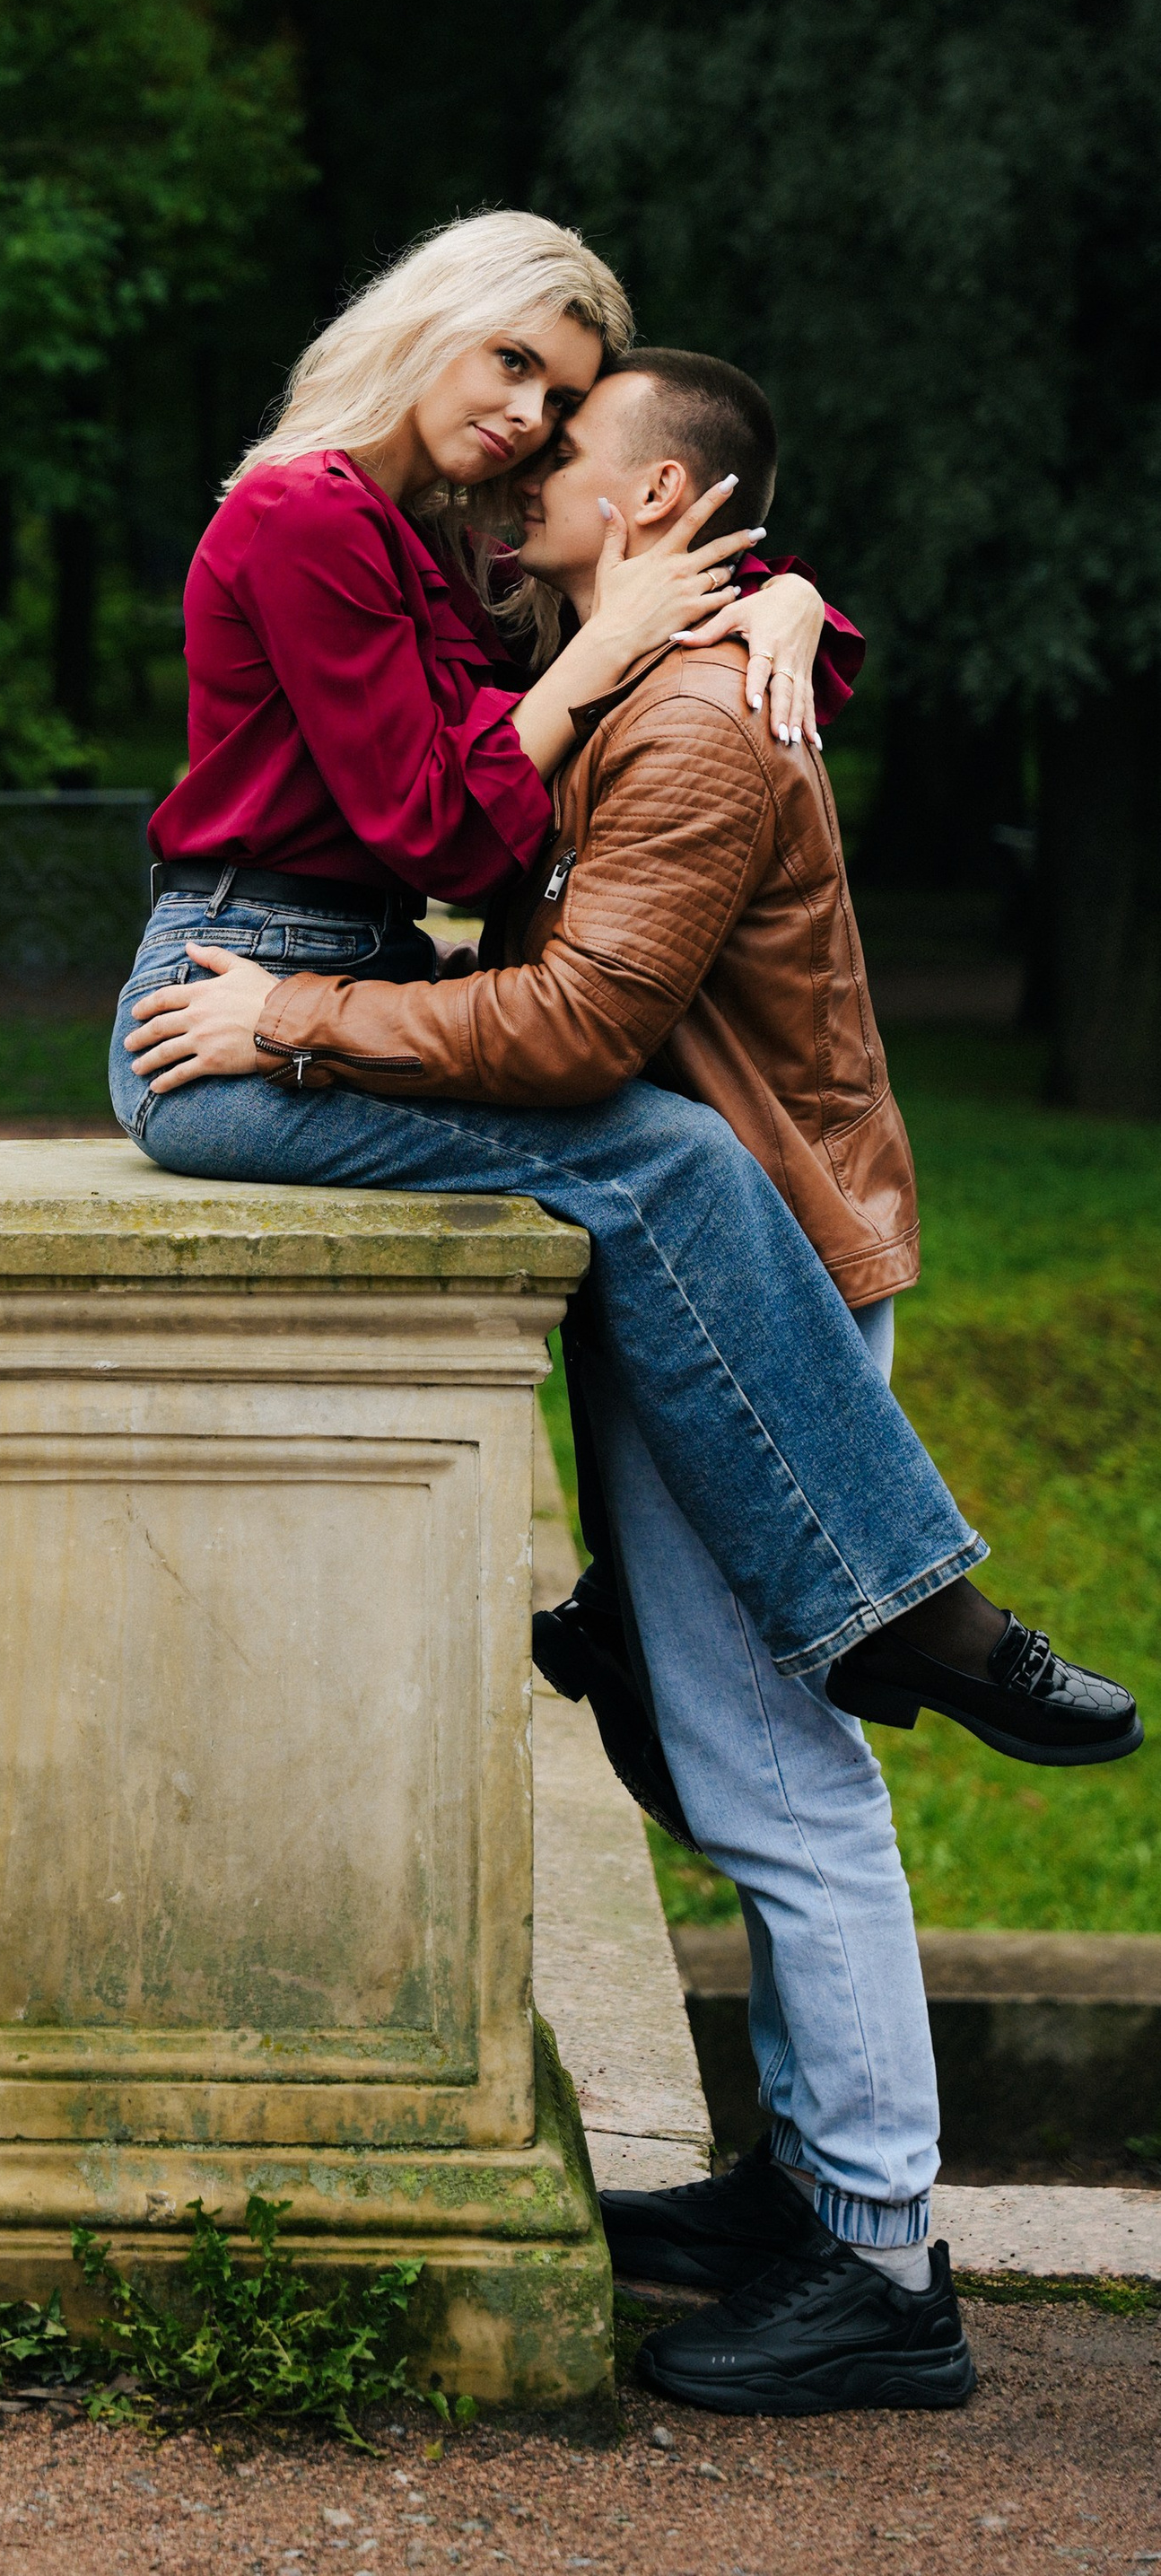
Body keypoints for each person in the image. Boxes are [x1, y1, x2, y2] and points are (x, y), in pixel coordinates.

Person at [123, 348, 1140, 2416]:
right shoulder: (637, 645)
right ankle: (807, 2191)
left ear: (658, 503)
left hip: (755, 1263)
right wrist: (796, 595)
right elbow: (467, 675)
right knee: (727, 1752)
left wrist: (291, 1017)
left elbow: (581, 1022)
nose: (511, 489)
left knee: (784, 1782)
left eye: (559, 455)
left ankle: (876, 2265)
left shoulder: (686, 716)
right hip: (691, 1276)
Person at [107, 217, 1104, 1756]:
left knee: (652, 1151)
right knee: (666, 1151)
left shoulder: (421, 537)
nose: (522, 415)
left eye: (556, 396)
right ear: (433, 316)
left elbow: (674, 598)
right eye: (512, 359)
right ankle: (904, 1603)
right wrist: (597, 658)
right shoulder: (304, 515)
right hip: (231, 999)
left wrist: (790, 600)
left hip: (340, 978)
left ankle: (655, 1616)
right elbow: (438, 826)